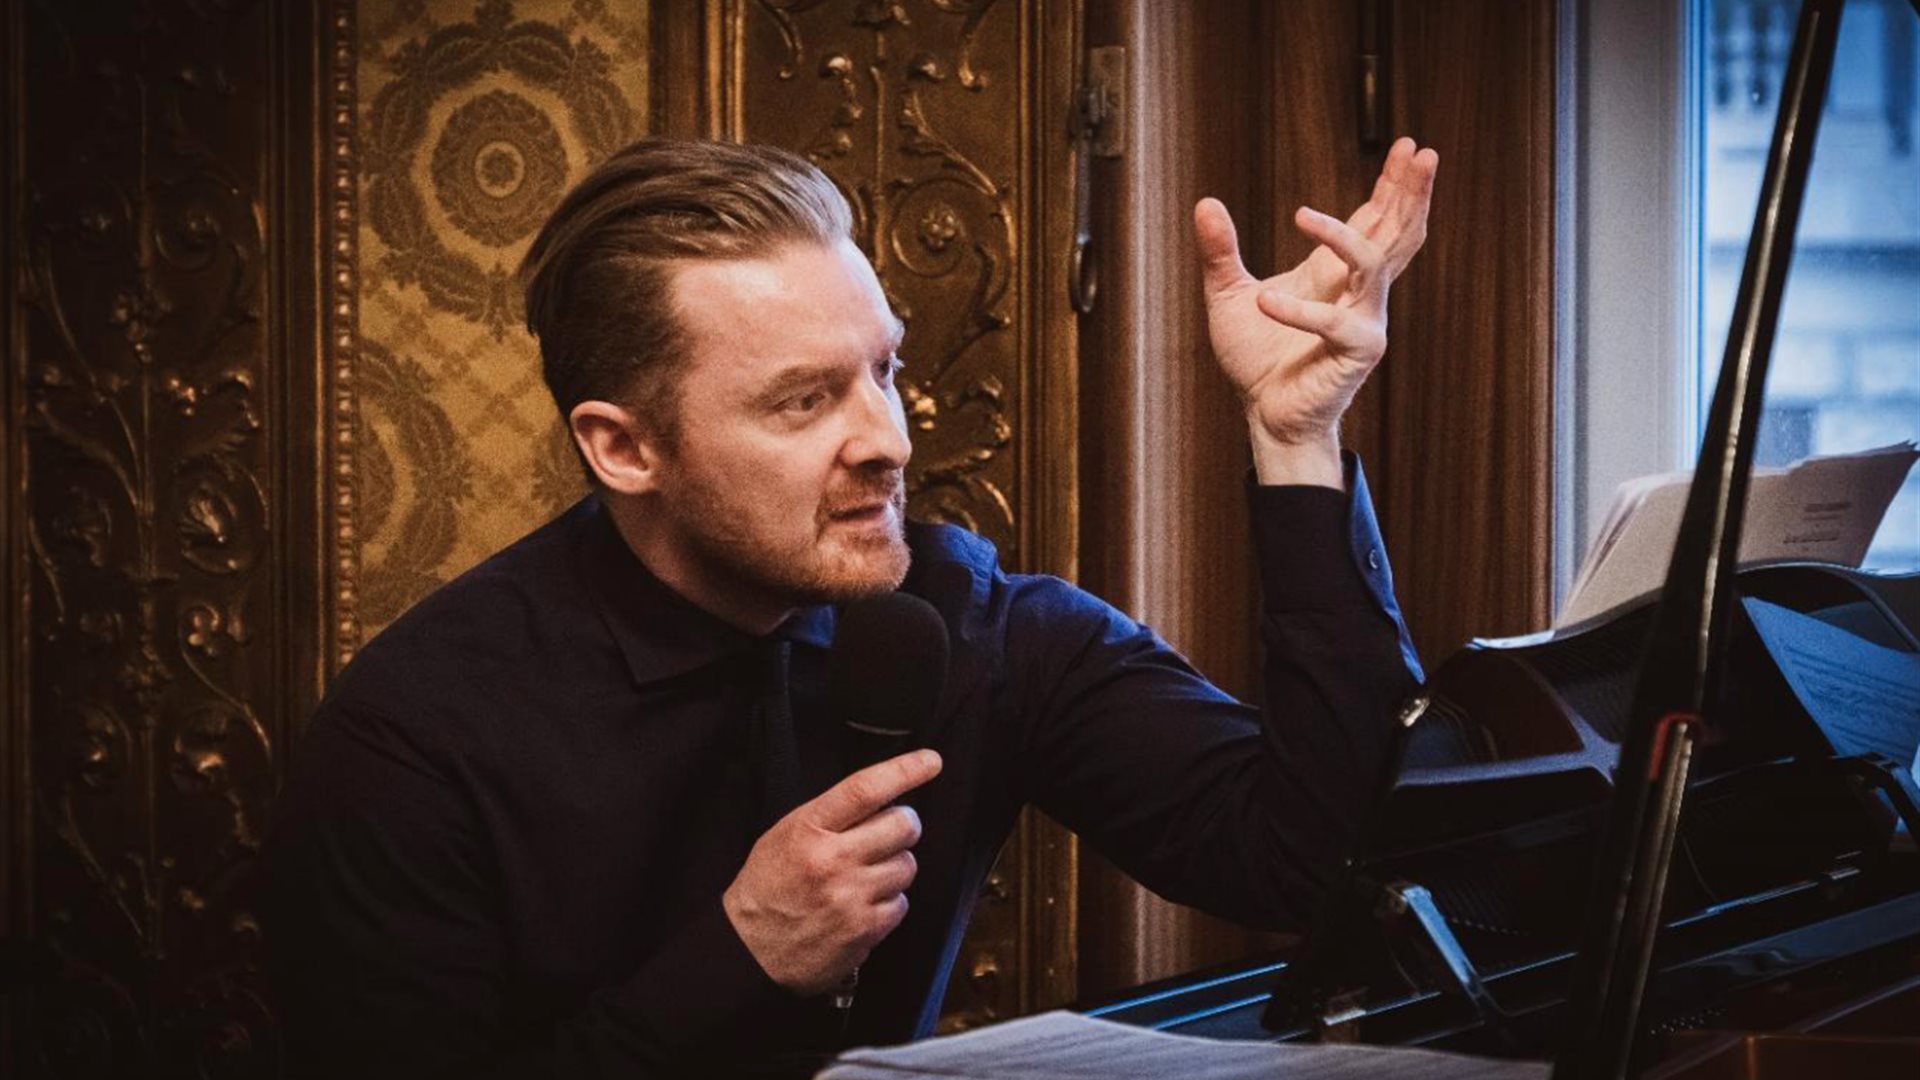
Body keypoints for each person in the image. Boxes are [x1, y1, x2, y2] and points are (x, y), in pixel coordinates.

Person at [266, 135, 1439, 1078]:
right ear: (624, 448)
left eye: (884, 369)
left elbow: (1309, 865)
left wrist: (1296, 439)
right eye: (802, 401)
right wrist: (736, 958)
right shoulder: (413, 739)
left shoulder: (973, 623)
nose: (888, 439)